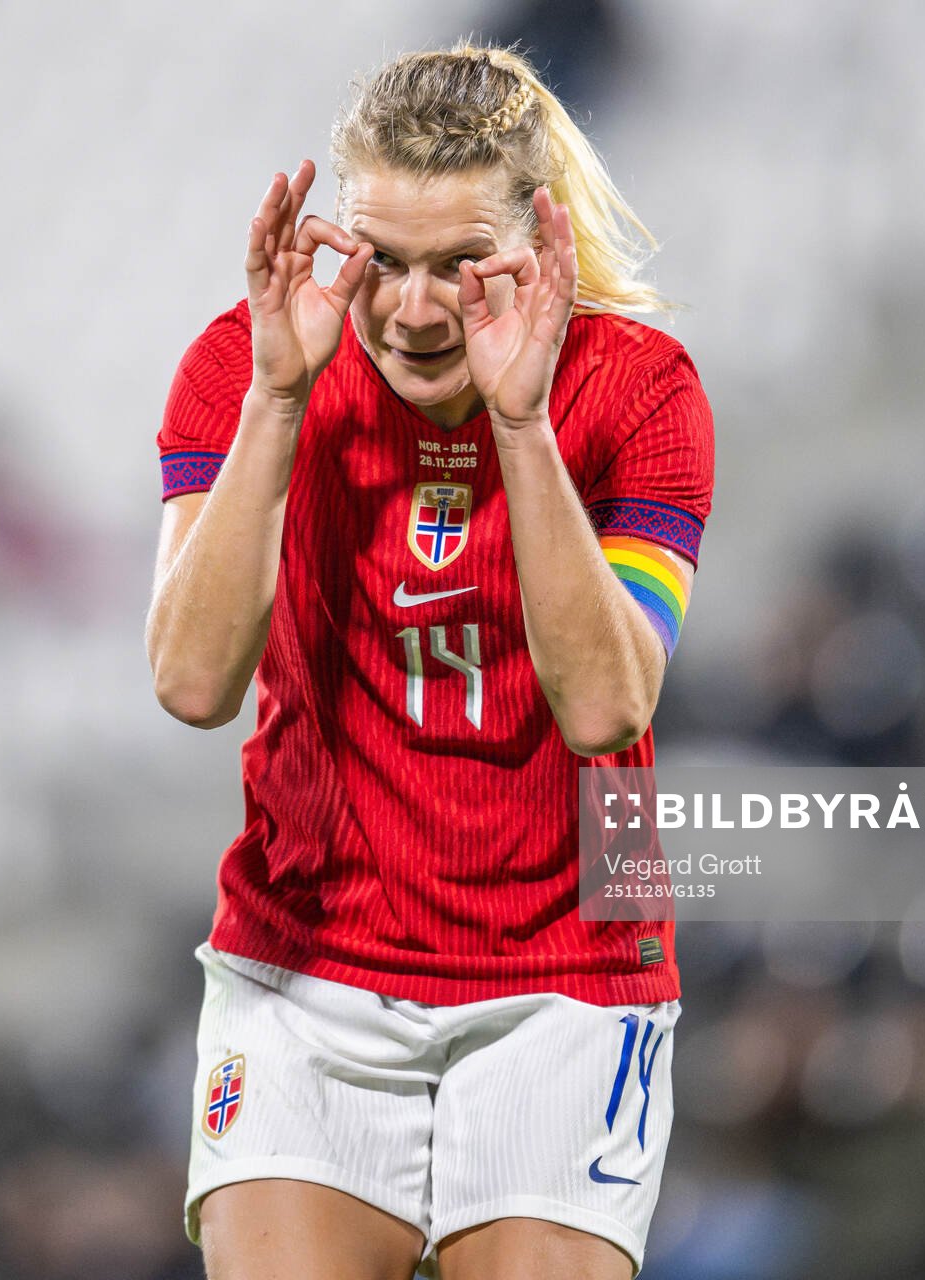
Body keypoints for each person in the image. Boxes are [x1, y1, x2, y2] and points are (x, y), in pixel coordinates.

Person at [146, 43, 713, 1280]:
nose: (412, 308)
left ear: (538, 241)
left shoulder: (638, 389)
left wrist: (520, 422)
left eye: (459, 264)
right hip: (307, 964)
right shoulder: (244, 365)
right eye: (381, 260)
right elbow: (190, 683)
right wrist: (278, 401)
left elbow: (607, 705)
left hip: (567, 975)